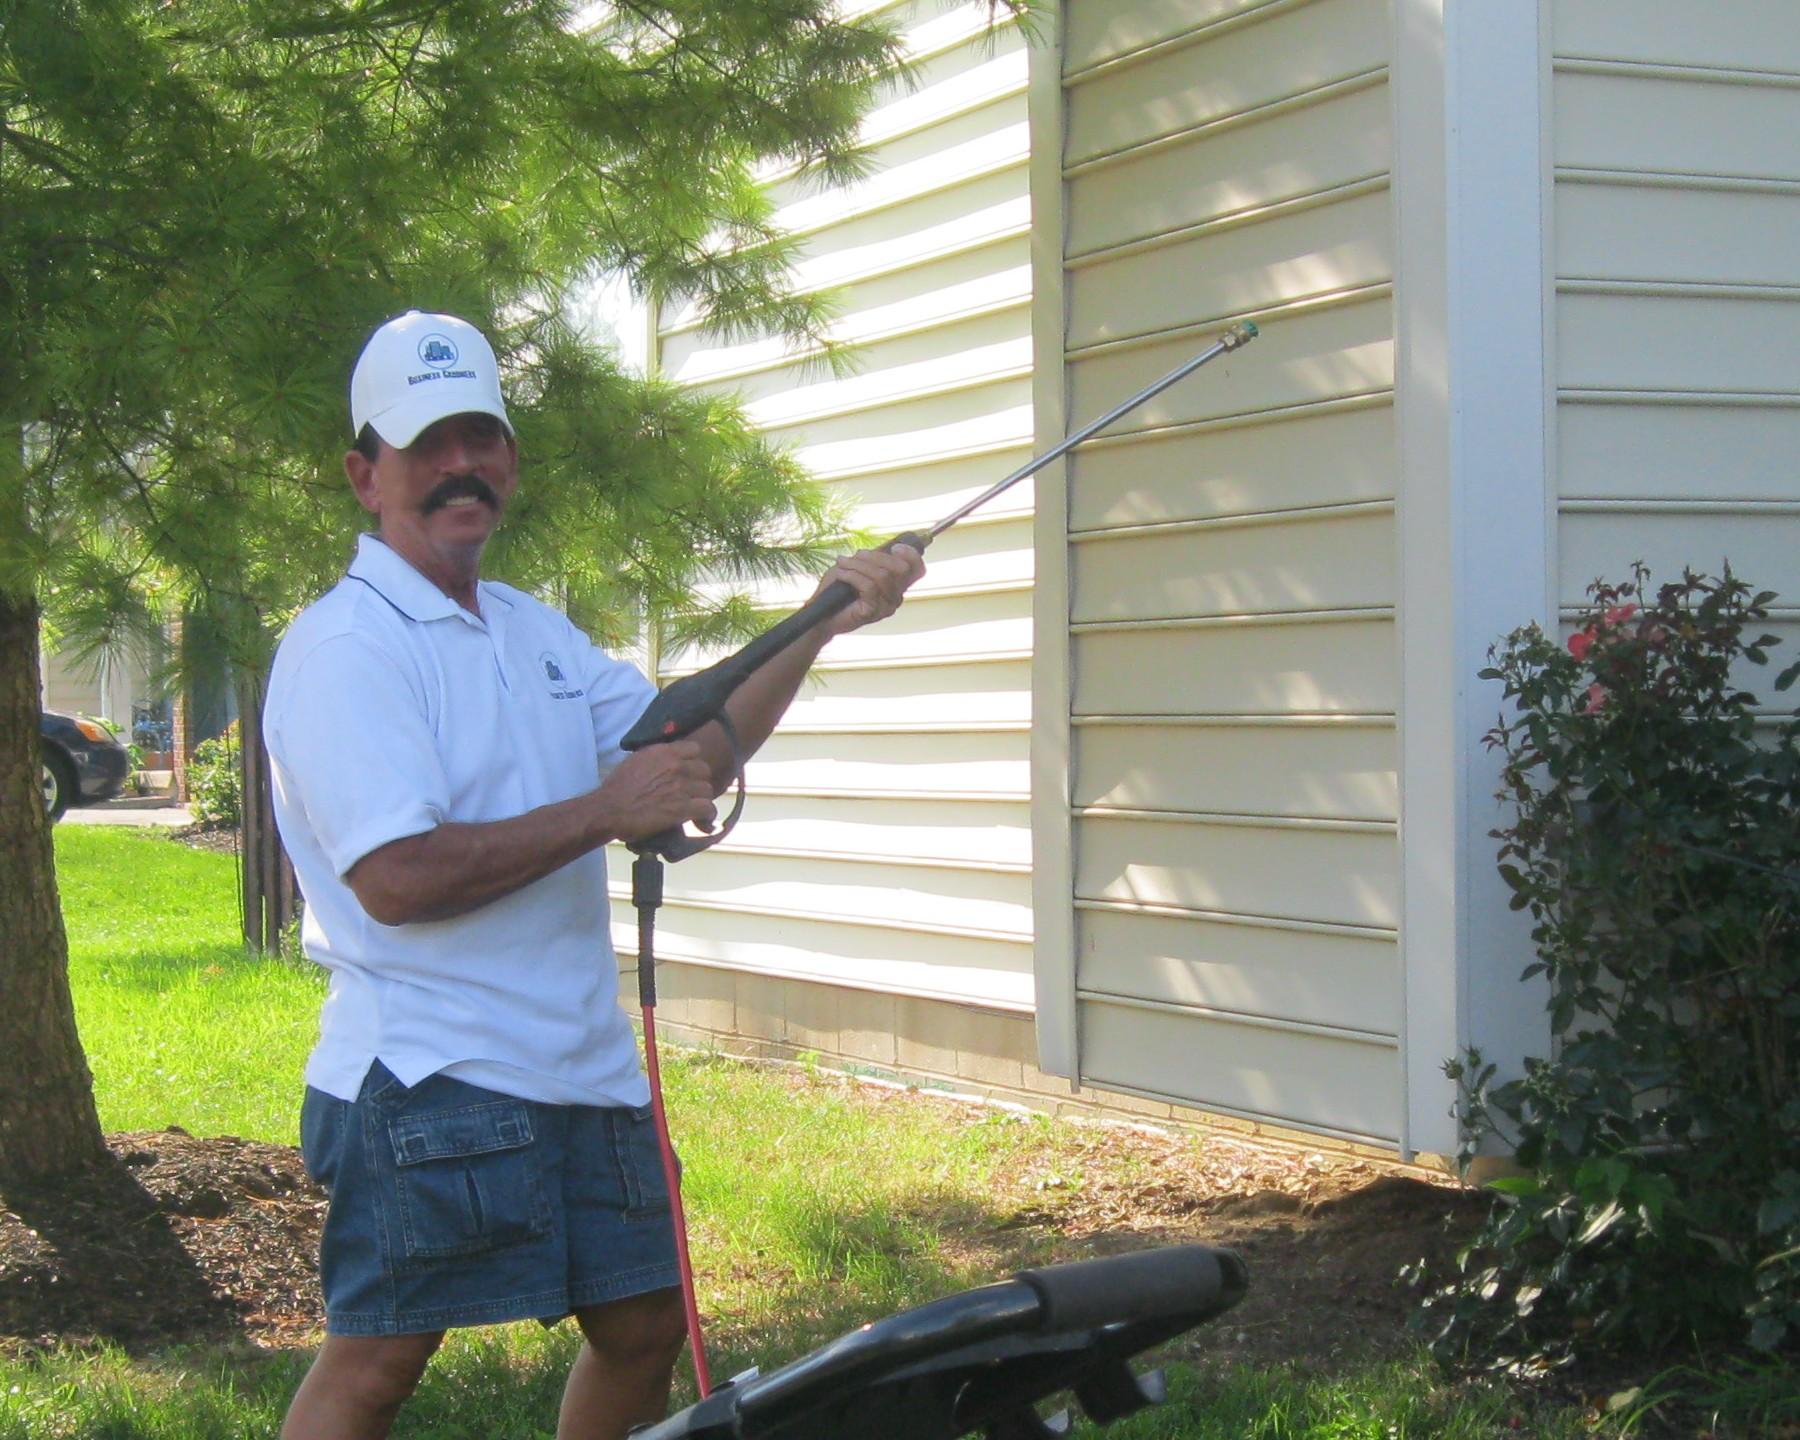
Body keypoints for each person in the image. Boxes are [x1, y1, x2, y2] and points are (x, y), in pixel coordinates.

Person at [266, 310, 923, 1440]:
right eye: (428, 447)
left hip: (581, 1065)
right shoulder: (345, 648)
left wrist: (816, 625)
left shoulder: (535, 634)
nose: (461, 468)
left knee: (646, 1326)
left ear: (510, 459)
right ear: (365, 474)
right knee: (378, 1362)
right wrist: (607, 810)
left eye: (482, 439)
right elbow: (399, 881)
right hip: (430, 1062)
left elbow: (693, 752)